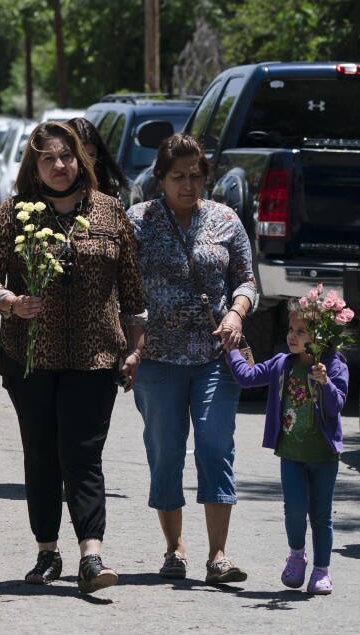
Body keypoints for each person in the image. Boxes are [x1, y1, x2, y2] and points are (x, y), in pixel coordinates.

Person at [0, 121, 146, 594]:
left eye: (67, 157)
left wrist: (136, 349)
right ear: (34, 165)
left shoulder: (110, 212)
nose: (59, 165)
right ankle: (47, 551)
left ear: (82, 161)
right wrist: (10, 302)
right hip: (29, 355)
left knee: (82, 453)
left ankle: (90, 555)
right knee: (42, 452)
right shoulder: (14, 213)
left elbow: (132, 291)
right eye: (48, 158)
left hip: (95, 356)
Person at [126, 132, 256, 584]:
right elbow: (125, 288)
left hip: (215, 356)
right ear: (159, 178)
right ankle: (174, 548)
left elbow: (247, 280)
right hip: (158, 359)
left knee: (216, 447)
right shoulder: (139, 221)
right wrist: (132, 342)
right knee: (165, 454)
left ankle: (218, 555)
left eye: (196, 176)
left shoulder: (225, 219)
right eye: (178, 177)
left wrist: (237, 314)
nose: (188, 185)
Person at [226, 299, 348, 594]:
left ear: (321, 337)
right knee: (294, 510)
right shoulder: (282, 364)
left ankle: (321, 570)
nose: (292, 336)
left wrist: (325, 383)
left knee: (321, 515)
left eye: (301, 331)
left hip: (323, 457)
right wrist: (231, 349)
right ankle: (296, 555)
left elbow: (335, 407)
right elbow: (247, 377)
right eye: (291, 329)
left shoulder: (333, 365)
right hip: (291, 456)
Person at [66, 117, 128, 200]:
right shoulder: (55, 183)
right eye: (80, 155)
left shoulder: (107, 188)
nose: (87, 162)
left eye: (92, 154)